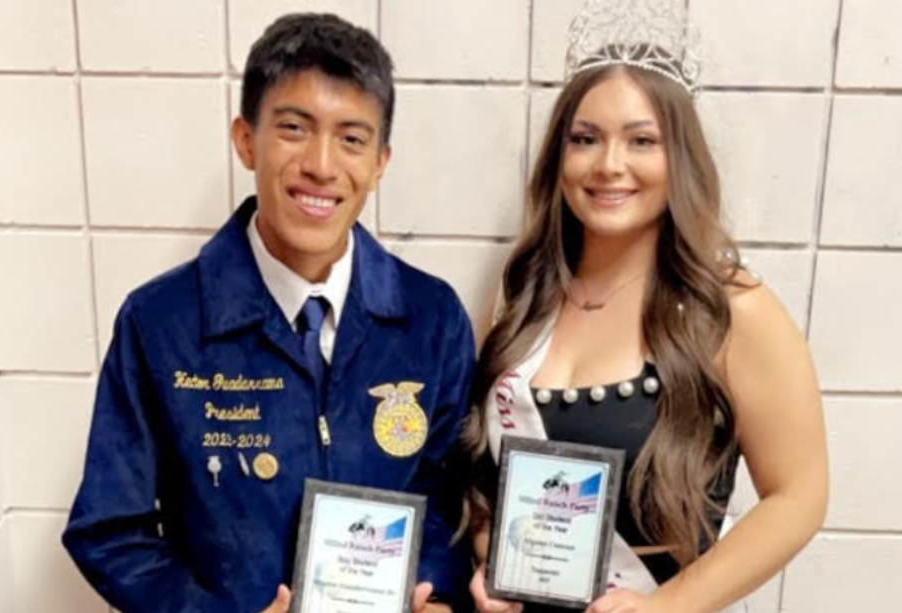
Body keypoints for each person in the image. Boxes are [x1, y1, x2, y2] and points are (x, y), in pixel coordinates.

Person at [63, 13, 474, 613]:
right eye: (294, 128)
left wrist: (435, 590)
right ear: (245, 138)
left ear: (381, 162)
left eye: (352, 138)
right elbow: (108, 530)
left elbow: (450, 495)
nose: (322, 165)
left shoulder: (431, 318)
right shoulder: (160, 324)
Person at [464, 2, 828, 612]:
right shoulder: (520, 299)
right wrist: (488, 562)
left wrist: (667, 606)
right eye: (586, 139)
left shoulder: (733, 310)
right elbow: (485, 484)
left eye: (642, 140)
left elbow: (801, 495)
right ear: (560, 157)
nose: (610, 165)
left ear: (679, 158)